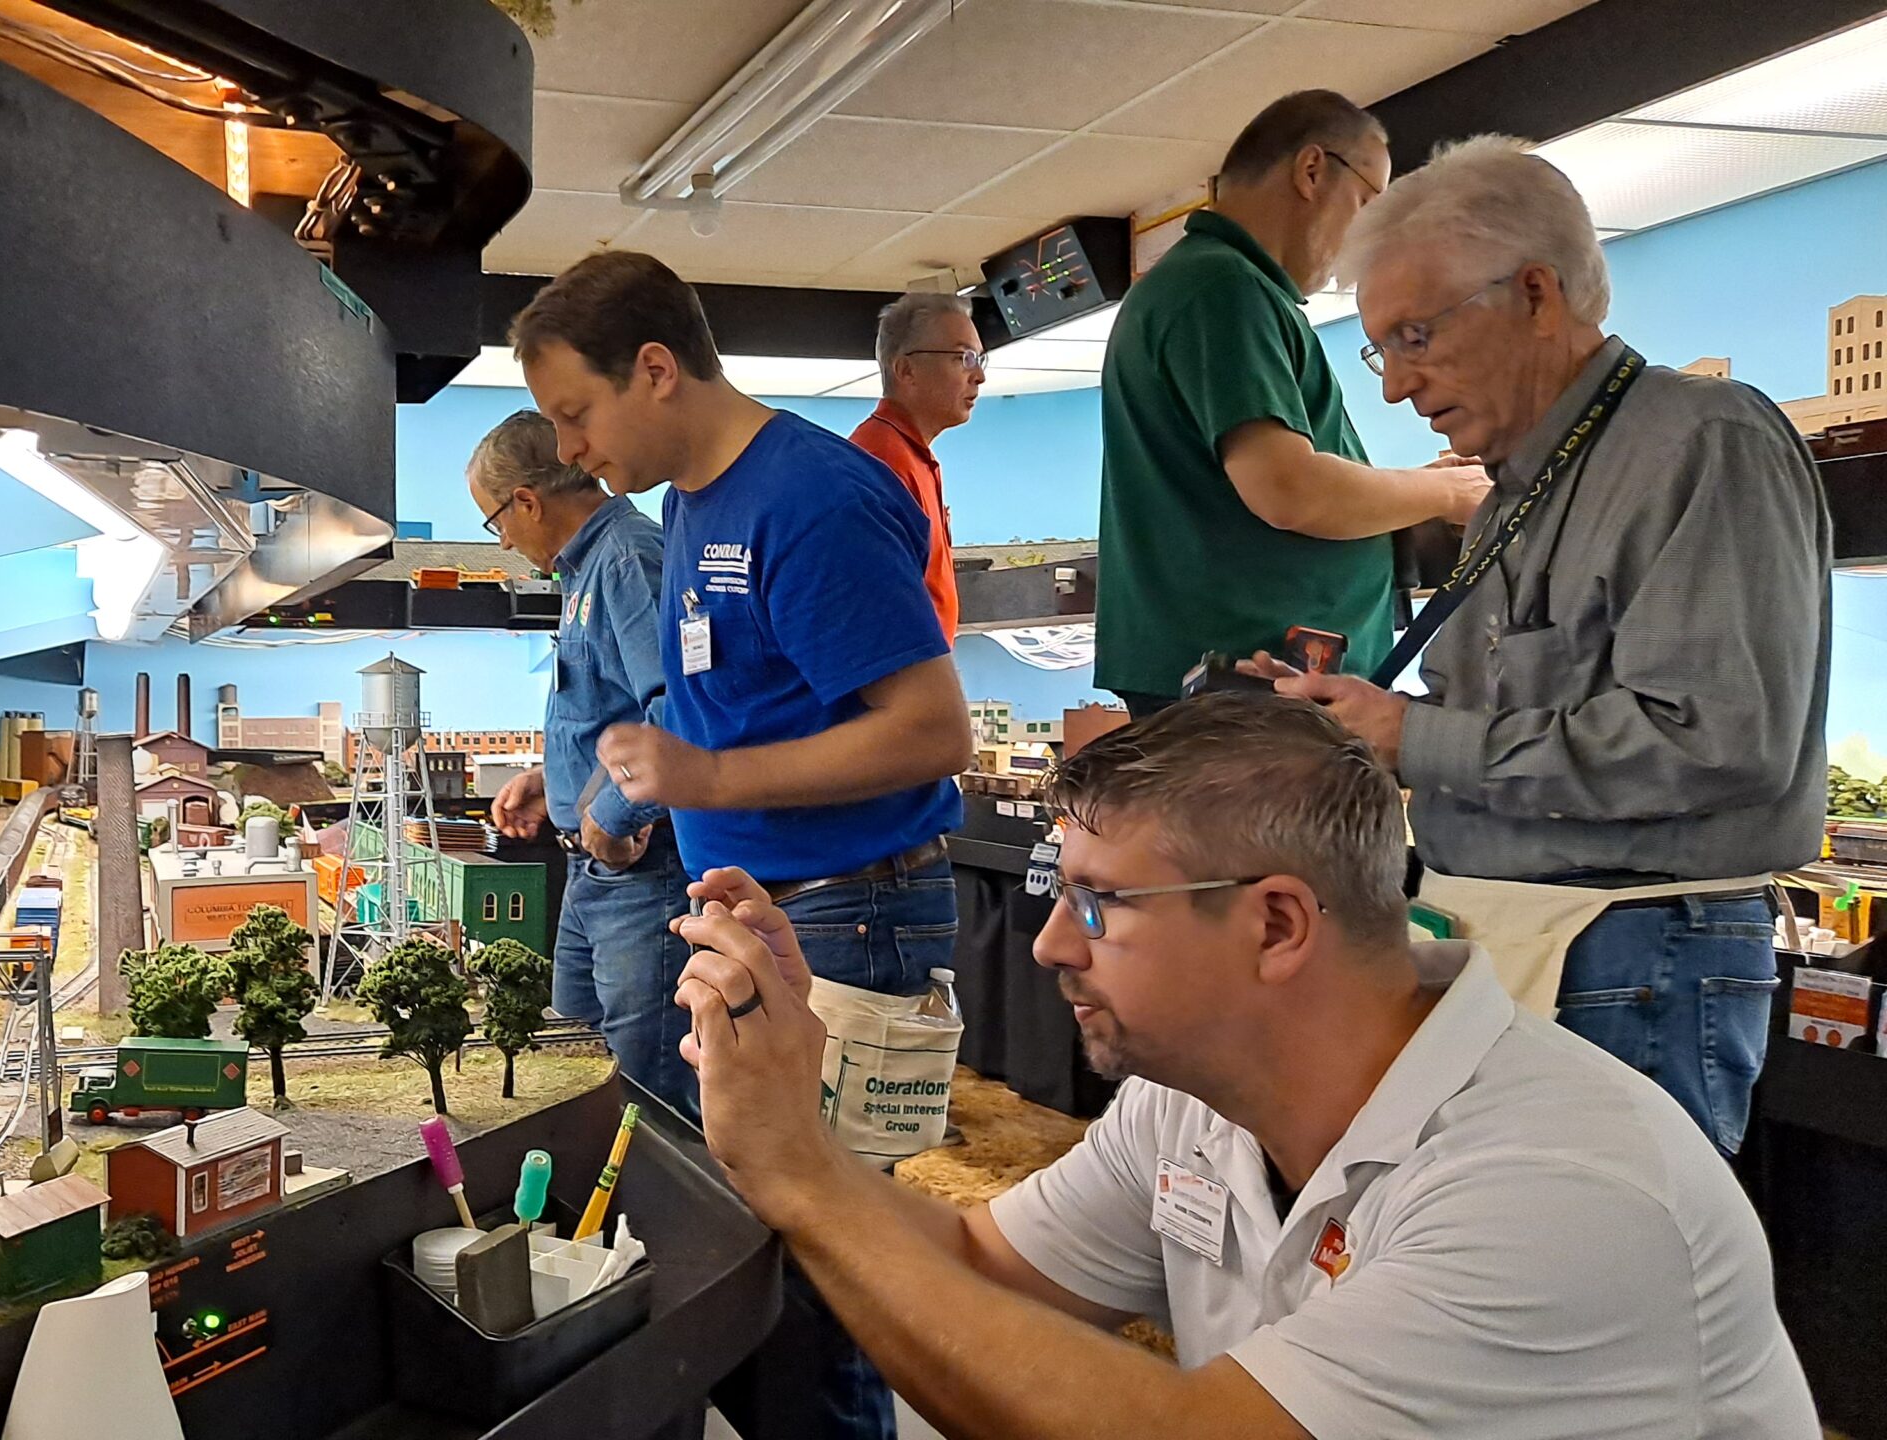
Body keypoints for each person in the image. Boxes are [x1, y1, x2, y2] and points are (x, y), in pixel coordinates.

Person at [670, 694, 1817, 1440]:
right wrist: (796, 1122)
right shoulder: (1189, 1104)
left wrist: (803, 1178)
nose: (1050, 945)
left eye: (1097, 904)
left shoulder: (1556, 1190)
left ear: (1275, 926)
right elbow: (979, 1260)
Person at [1265, 135, 1830, 1157]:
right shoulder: (1508, 495)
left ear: (1534, 292)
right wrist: (1365, 729)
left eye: (1416, 336)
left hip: (1629, 950)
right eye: (1379, 348)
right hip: (1525, 940)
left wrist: (1417, 741)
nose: (1395, 386)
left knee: (1606, 1286)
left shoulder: (1703, 439)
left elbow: (1714, 740)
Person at [512, 250, 970, 1440]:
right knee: (750, 1245)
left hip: (845, 913)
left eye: (576, 413)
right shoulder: (689, 503)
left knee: (818, 1267)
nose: (566, 451)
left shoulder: (809, 497)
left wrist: (708, 776)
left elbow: (930, 730)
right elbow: (729, 700)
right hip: (761, 911)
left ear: (655, 370)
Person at [1096, 90, 1489, 717]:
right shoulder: (1222, 288)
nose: (1370, 235)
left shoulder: (1219, 287)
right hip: (1244, 686)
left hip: (1248, 680)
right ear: (1312, 171)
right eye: (1368, 203)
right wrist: (1448, 495)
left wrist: (1415, 490)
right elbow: (1288, 490)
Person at [469, 410, 698, 1117]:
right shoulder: (584, 571)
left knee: (637, 1096)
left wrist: (610, 809)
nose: (502, 540)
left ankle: (646, 1227)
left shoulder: (629, 558)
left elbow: (679, 710)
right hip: (590, 875)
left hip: (642, 872)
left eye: (495, 521)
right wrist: (555, 779)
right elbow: (611, 712)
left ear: (528, 501)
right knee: (570, 1073)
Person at [851, 292, 980, 641]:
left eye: (979, 358)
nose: (979, 375)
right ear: (906, 369)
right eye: (963, 358)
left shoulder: (910, 456)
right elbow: (877, 616)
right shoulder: (880, 462)